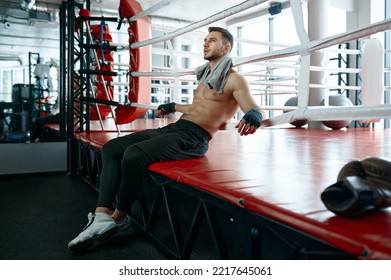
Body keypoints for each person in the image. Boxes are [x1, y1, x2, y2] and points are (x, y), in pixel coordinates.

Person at [68, 26, 266, 252]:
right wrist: (173, 106)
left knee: (133, 155)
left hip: (195, 137)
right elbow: (196, 107)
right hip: (178, 127)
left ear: (226, 47)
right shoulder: (206, 77)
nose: (205, 43)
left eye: (212, 40)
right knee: (112, 148)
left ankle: (119, 217)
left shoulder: (234, 79)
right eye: (205, 40)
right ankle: (101, 216)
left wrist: (253, 115)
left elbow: (252, 105)